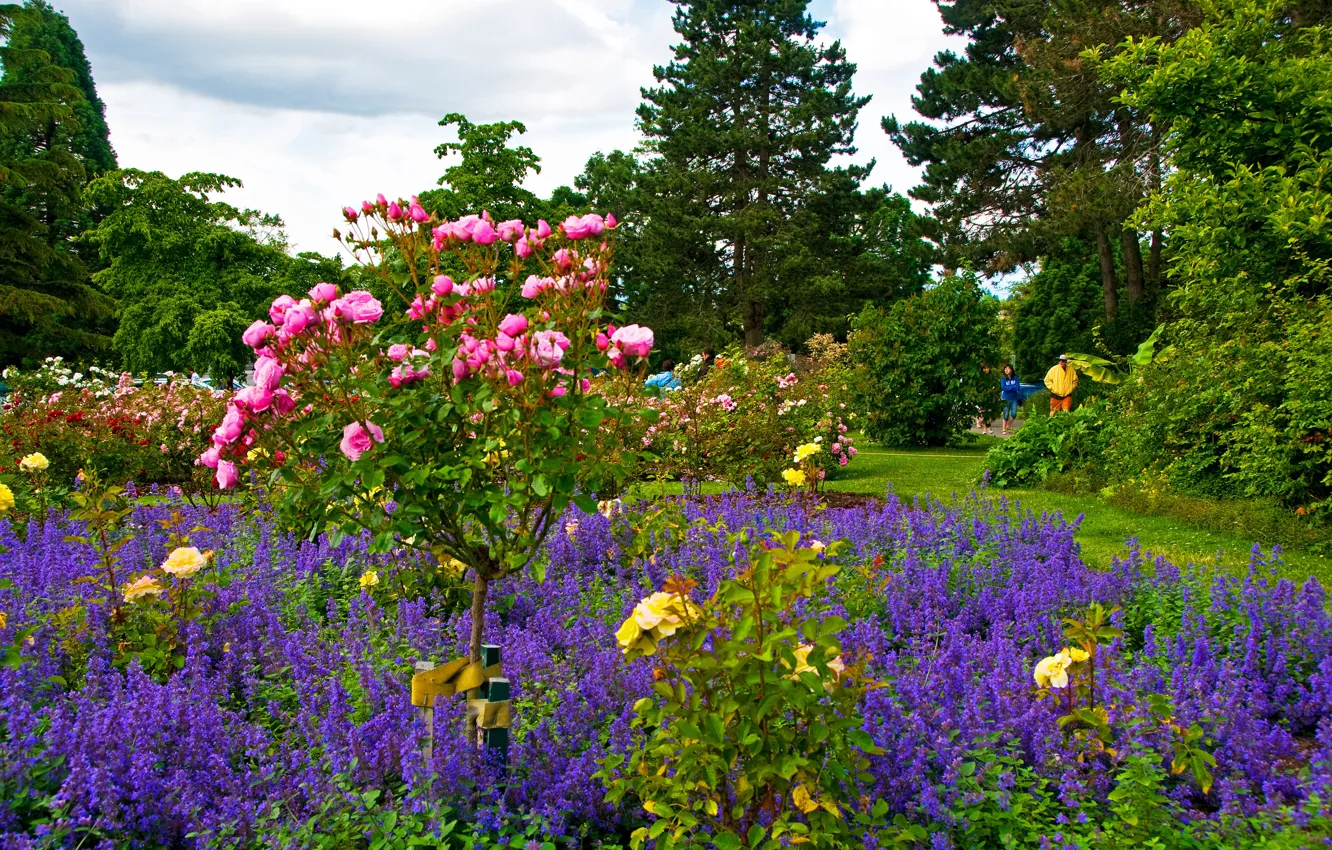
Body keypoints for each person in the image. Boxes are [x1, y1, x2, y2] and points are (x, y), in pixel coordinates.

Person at [999, 363, 1022, 434]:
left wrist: (1010, 388)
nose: (1006, 370)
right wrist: (1012, 387)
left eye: (1008, 368)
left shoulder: (1015, 378)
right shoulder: (1003, 378)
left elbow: (1018, 387)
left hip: (1014, 398)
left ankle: (1008, 426)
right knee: (1005, 414)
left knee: (1014, 414)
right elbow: (1003, 388)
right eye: (1005, 369)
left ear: (1011, 370)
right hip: (1006, 398)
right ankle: (1004, 429)